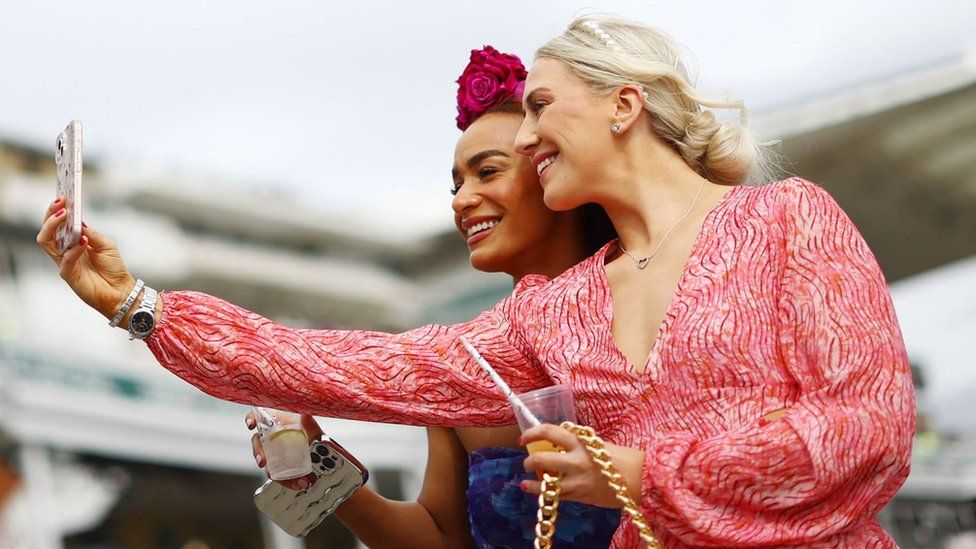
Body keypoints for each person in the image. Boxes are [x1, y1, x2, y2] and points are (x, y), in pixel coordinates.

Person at [38, 14, 914, 547]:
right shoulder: (555, 311)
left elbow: (869, 427)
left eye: (539, 106)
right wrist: (137, 305)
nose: (530, 139)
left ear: (625, 102)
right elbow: (352, 367)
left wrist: (646, 474)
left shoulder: (788, 217)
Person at [247, 46, 621, 548]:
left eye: (487, 171)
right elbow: (442, 539)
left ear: (556, 168)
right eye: (456, 184)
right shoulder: (463, 359)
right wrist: (317, 462)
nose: (463, 201)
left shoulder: (659, 309)